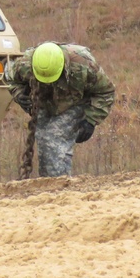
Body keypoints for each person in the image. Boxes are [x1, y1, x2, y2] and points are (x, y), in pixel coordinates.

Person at [6, 42, 115, 178]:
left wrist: (91, 120)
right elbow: (9, 78)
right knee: (43, 138)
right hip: (45, 101)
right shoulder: (24, 65)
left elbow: (106, 92)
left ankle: (60, 186)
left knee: (54, 138)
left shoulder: (84, 67)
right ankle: (51, 183)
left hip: (76, 101)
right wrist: (19, 94)